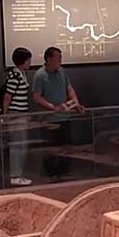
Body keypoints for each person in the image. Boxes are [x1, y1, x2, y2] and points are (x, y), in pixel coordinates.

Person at [32, 47, 84, 179]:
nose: (60, 60)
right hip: (48, 119)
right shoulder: (40, 75)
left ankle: (64, 171)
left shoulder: (62, 71)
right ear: (49, 59)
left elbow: (69, 89)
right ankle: (51, 173)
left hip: (64, 117)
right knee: (50, 147)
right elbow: (37, 97)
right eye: (58, 58)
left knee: (66, 146)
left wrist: (76, 103)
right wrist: (53, 107)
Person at [3, 47, 33, 186]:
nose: (30, 62)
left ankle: (19, 174)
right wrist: (6, 115)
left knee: (21, 145)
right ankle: (15, 175)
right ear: (23, 61)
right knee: (16, 146)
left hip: (22, 114)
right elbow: (7, 97)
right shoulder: (14, 76)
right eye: (28, 60)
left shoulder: (22, 74)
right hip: (16, 115)